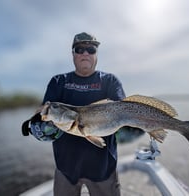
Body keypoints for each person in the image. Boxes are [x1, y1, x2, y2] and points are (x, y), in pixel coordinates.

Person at [23, 32, 125, 196]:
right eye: (80, 49)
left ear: (96, 54)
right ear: (73, 54)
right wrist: (41, 126)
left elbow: (124, 111)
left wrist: (139, 127)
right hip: (65, 170)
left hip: (104, 170)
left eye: (91, 49)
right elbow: (45, 118)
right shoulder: (58, 81)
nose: (85, 53)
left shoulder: (110, 81)